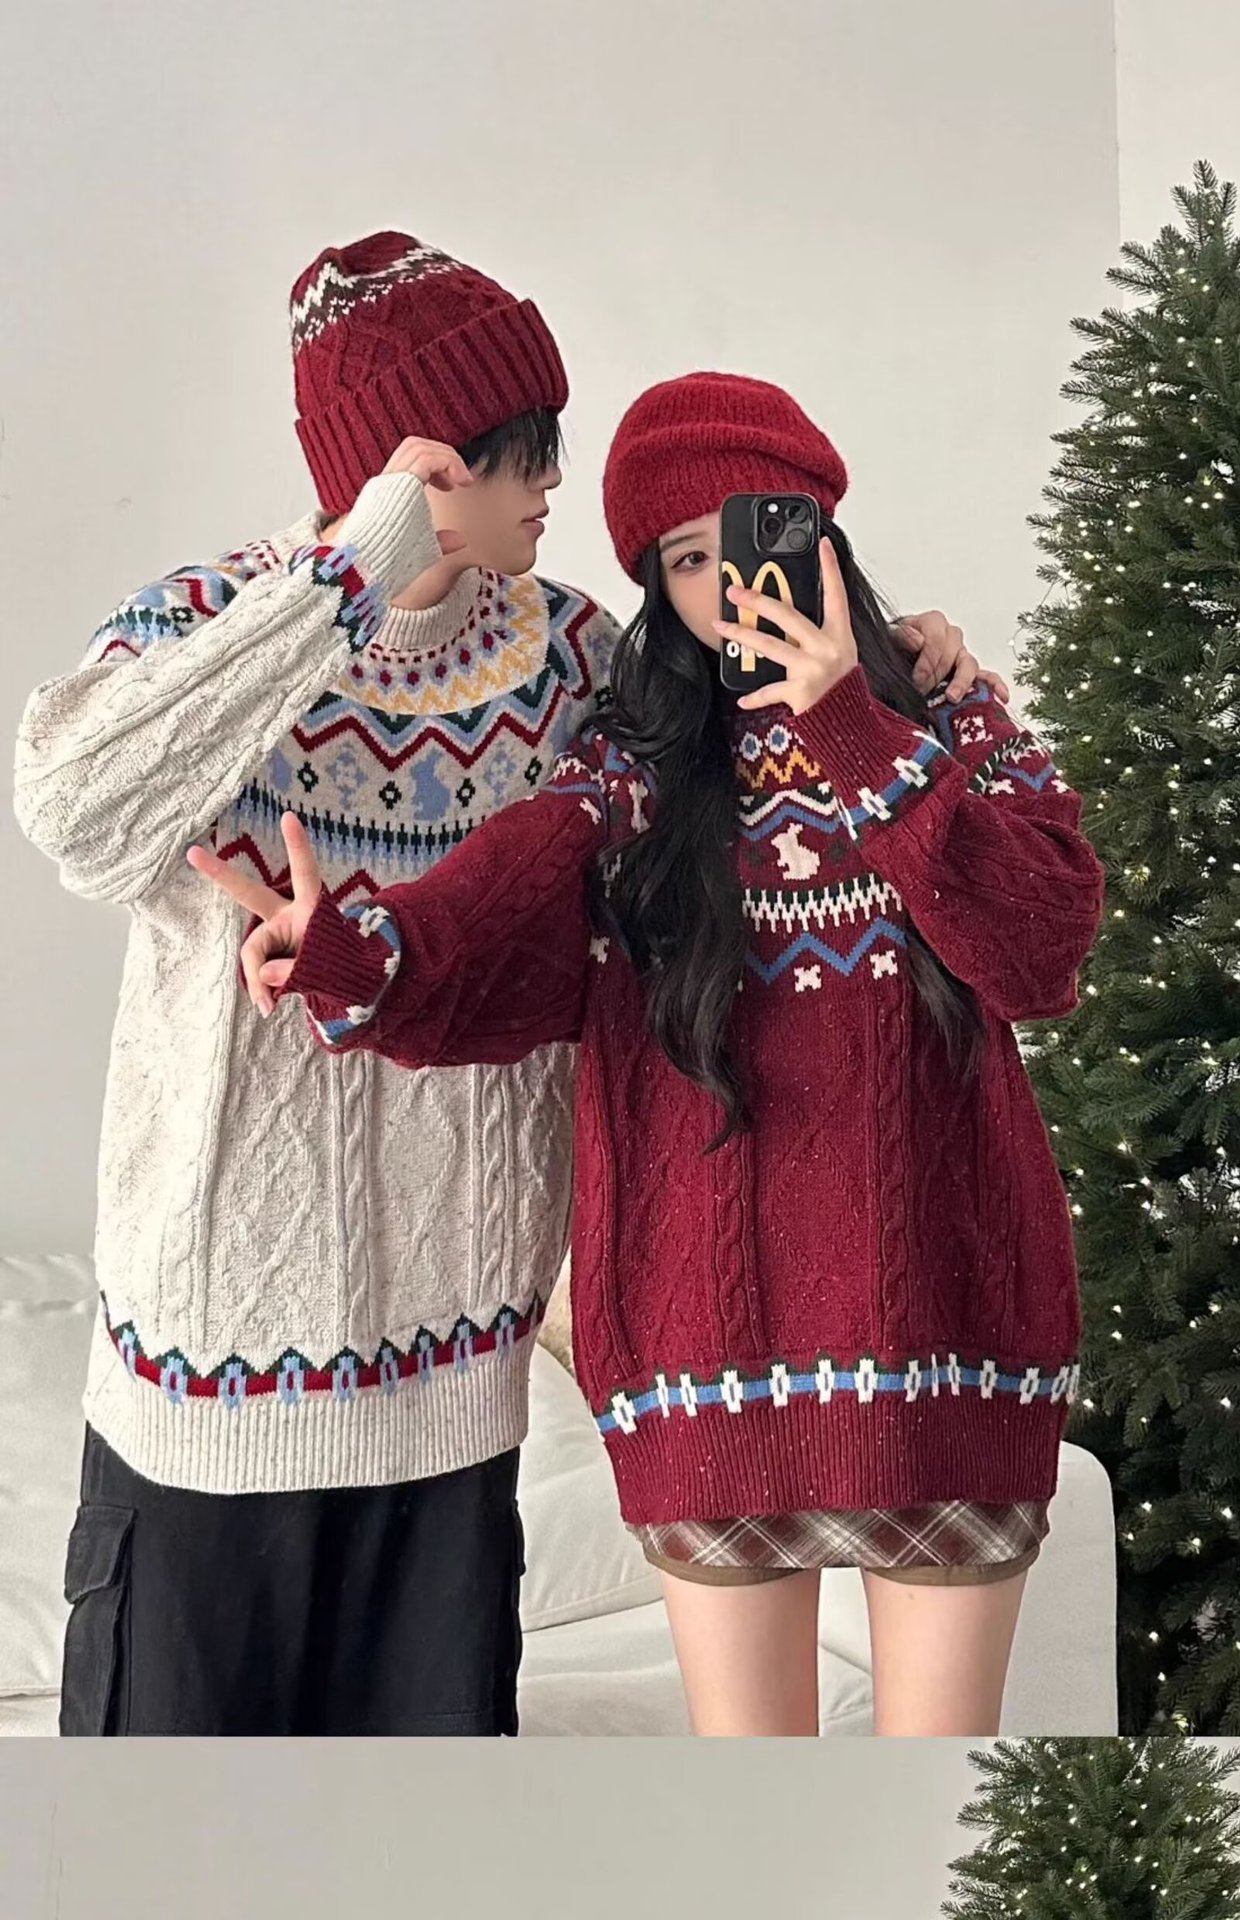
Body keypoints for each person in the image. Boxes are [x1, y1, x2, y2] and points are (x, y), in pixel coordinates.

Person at [187, 369, 1104, 1738]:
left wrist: (855, 724)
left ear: (821, 537)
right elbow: (489, 918)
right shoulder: (632, 777)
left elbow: (1041, 955)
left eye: (755, 537)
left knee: (934, 1797)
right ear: (655, 593)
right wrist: (351, 951)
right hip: (704, 1360)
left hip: (948, 1347)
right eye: (684, 558)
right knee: (748, 1806)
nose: (727, 584)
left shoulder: (948, 721)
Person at [12, 229, 625, 1736]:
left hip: (456, 1392)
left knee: (421, 1845)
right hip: (208, 1387)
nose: (554, 477)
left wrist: (907, 670)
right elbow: (72, 814)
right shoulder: (208, 626)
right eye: (521, 446)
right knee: (165, 1841)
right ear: (422, 470)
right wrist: (341, 578)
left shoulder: (573, 657)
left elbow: (708, 837)